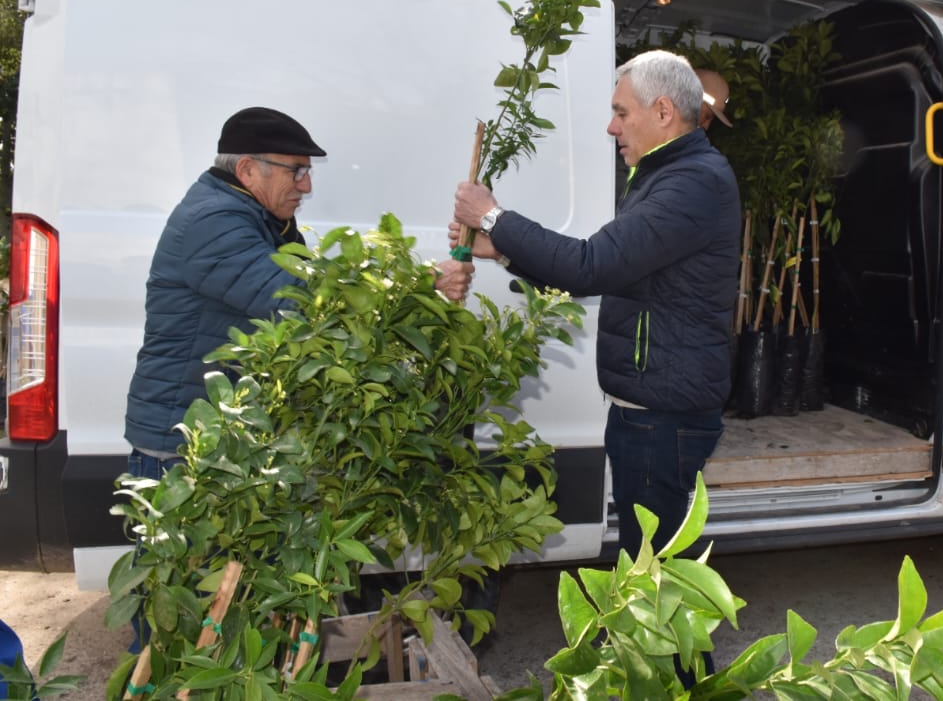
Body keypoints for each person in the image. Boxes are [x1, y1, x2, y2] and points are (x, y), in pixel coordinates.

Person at [453, 50, 741, 558]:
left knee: (654, 579)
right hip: (650, 410)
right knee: (649, 570)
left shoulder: (693, 183)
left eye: (621, 112)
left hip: (664, 415)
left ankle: (659, 643)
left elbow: (590, 264)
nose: (612, 127)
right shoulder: (667, 176)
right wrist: (501, 250)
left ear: (663, 111)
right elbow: (594, 272)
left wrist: (495, 217)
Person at [124, 106, 474, 479]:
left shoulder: (259, 218)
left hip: (220, 437)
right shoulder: (214, 222)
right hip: (187, 445)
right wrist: (418, 281)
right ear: (246, 169)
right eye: (297, 170)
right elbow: (300, 300)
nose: (306, 185)